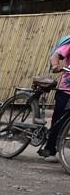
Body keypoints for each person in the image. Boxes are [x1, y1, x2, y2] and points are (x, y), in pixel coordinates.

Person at [40, 26, 70, 160]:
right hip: (67, 89)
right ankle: (50, 149)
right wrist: (55, 65)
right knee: (59, 119)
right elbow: (56, 55)